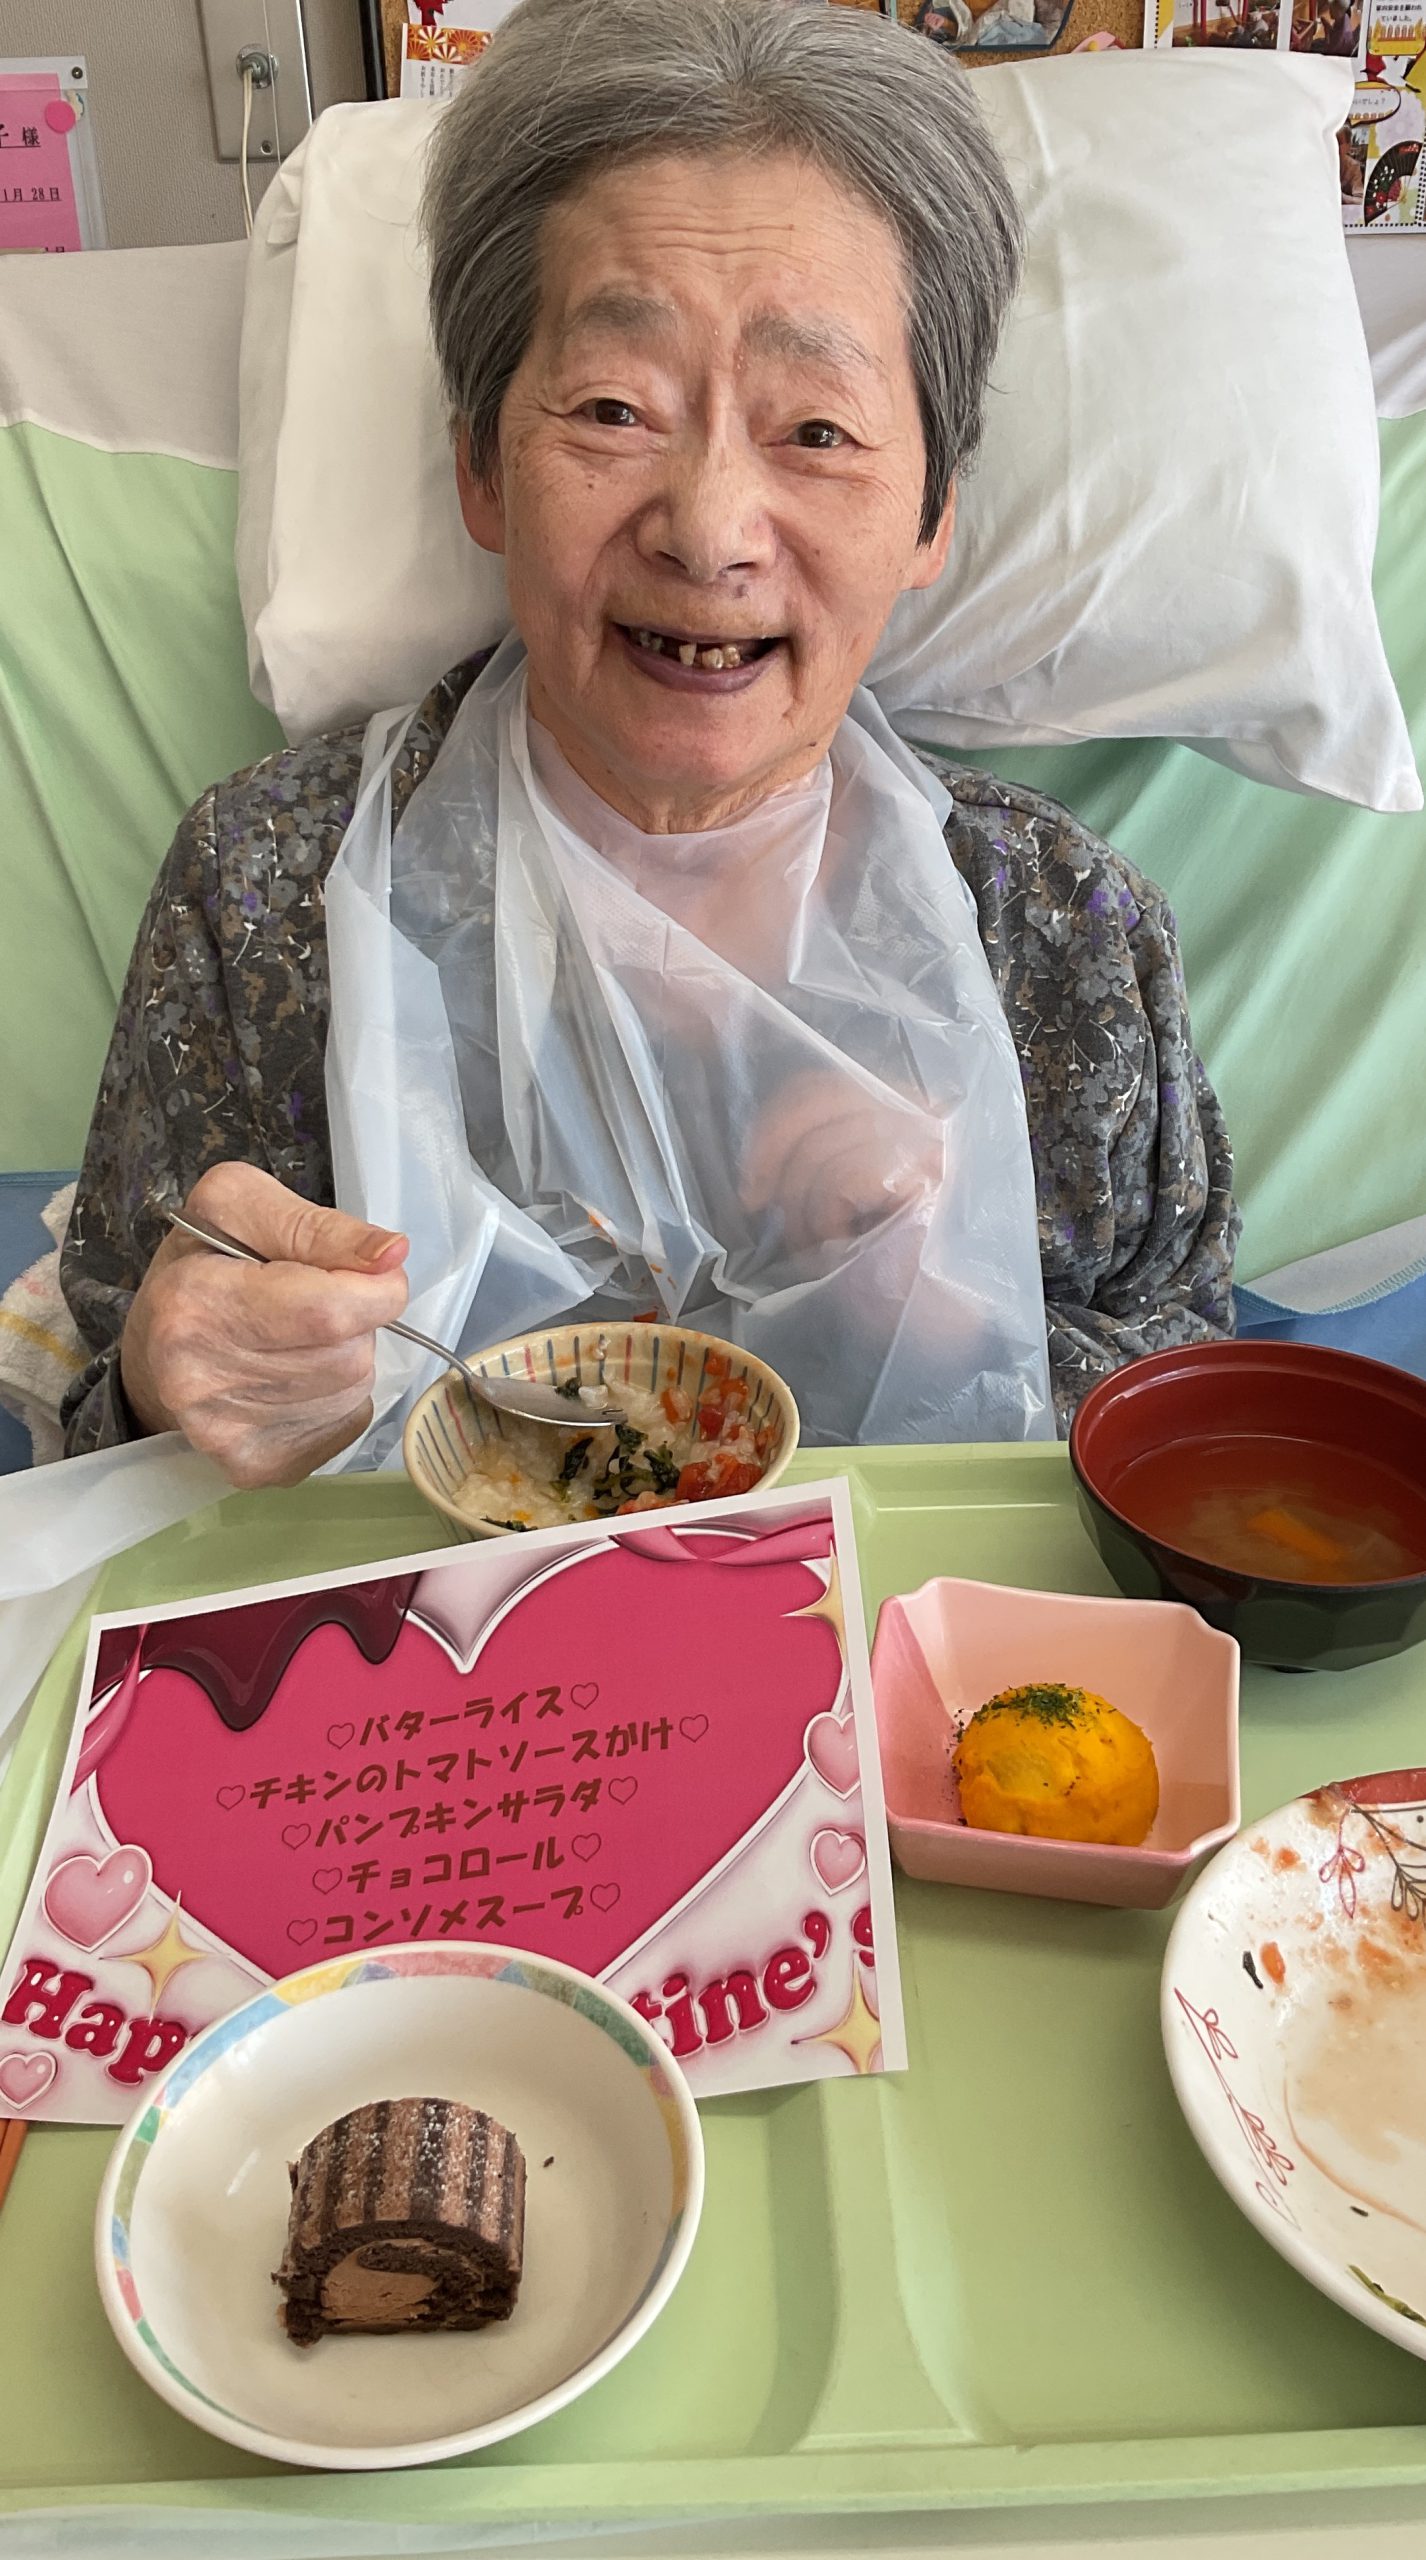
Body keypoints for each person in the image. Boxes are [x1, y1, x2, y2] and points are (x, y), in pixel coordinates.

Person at [59, 0, 1237, 1489]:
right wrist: (172, 1387)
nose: (709, 528)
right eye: (614, 409)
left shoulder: (1064, 934)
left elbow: (1194, 1422)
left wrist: (935, 1314)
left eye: (817, 431)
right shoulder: (266, 895)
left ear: (932, 513)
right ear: (482, 466)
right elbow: (94, 1440)